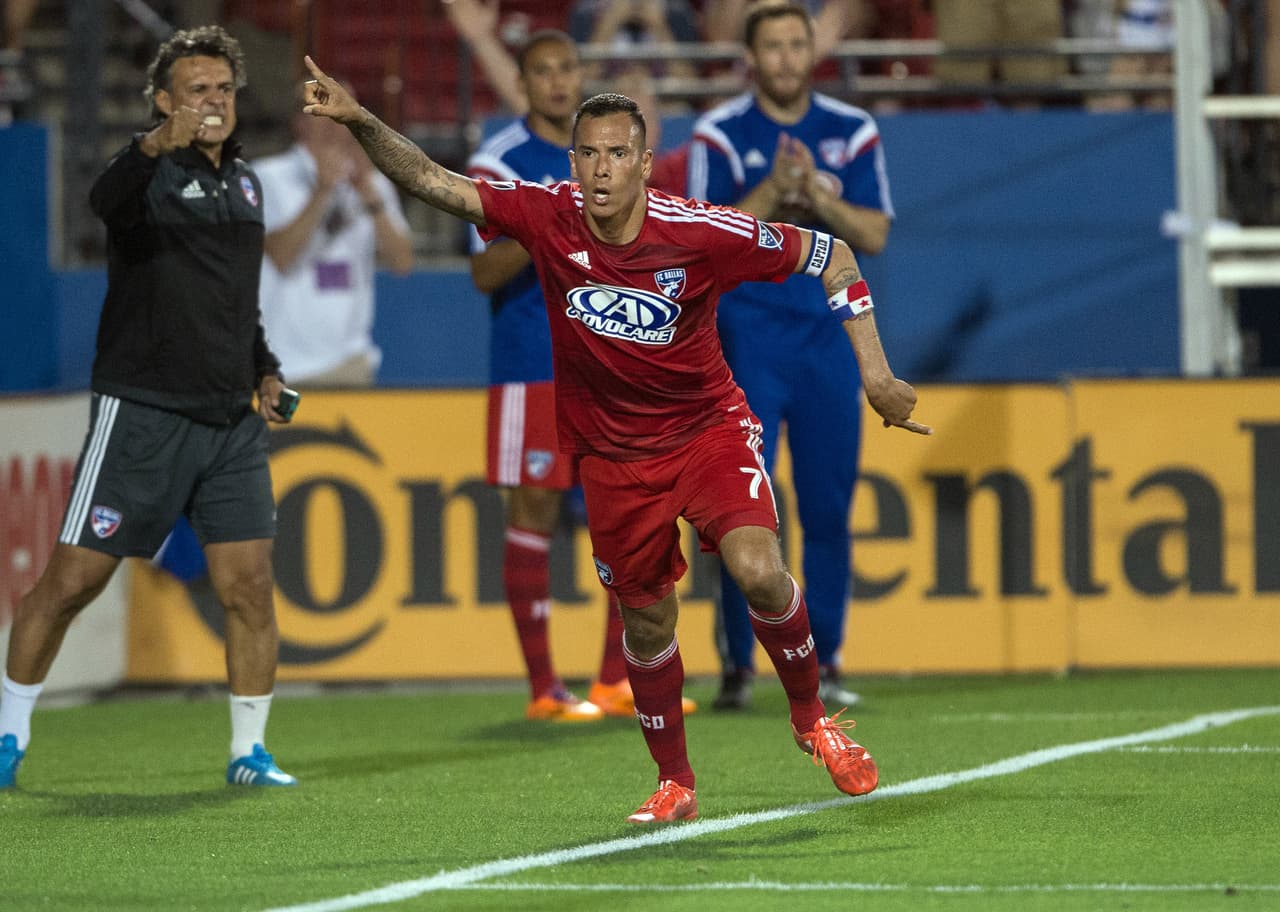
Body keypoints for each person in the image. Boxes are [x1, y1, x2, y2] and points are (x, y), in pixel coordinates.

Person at [301, 57, 930, 822]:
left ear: (642, 161)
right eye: (588, 155)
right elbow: (437, 184)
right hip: (613, 457)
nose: (601, 171)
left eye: (617, 154)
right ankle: (676, 783)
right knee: (647, 617)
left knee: (760, 569)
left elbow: (831, 253)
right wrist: (363, 121)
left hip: (707, 432)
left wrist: (877, 374)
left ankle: (814, 722)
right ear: (574, 163)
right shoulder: (546, 212)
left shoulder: (697, 230)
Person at [0, 25, 296, 790]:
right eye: (197, 91)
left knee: (251, 587)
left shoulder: (246, 182)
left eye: (224, 90)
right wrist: (153, 145)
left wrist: (262, 369)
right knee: (71, 582)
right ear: (164, 100)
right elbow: (102, 199)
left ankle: (249, 752)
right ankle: (7, 733)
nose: (214, 103)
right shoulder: (145, 176)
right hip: (144, 413)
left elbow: (236, 301)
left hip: (229, 421)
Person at [465, 28, 696, 721]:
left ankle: (612, 681)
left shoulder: (608, 160)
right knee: (533, 510)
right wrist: (548, 219)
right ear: (523, 83)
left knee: (625, 515)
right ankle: (543, 689)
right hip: (531, 360)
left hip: (609, 366)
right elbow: (481, 271)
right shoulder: (498, 160)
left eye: (568, 68)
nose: (558, 81)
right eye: (543, 71)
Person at [688, 1, 893, 712]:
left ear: (813, 50)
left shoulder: (850, 130)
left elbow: (874, 232)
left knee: (830, 504)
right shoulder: (721, 134)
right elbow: (700, 242)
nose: (784, 58)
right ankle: (739, 667)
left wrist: (818, 200)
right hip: (747, 336)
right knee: (743, 505)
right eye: (770, 46)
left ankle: (827, 659)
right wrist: (776, 191)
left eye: (795, 44)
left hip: (826, 332)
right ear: (749, 57)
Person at [254, 80, 414, 387]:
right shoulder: (268, 176)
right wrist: (322, 192)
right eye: (326, 109)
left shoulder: (373, 184)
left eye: (345, 109)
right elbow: (281, 256)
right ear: (301, 121)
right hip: (283, 364)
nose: (338, 120)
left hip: (349, 362)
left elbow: (402, 262)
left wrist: (368, 193)